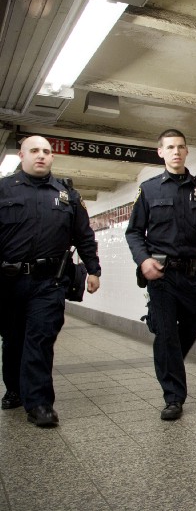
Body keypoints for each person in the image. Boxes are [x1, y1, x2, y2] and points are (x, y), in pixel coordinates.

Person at [125, 128, 196, 421]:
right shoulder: (150, 189)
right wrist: (143, 260)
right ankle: (173, 398)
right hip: (162, 275)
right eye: (170, 147)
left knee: (193, 326)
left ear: (186, 151)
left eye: (181, 147)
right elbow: (133, 232)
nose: (176, 152)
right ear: (161, 152)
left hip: (194, 275)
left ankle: (167, 361)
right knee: (168, 334)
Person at [0, 135, 101, 427]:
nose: (41, 155)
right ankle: (15, 389)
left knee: (40, 339)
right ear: (21, 155)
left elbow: (84, 236)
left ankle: (40, 404)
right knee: (14, 338)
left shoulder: (67, 195)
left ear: (52, 157)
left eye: (46, 151)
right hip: (8, 283)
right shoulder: (3, 189)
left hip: (49, 282)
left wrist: (93, 271)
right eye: (34, 150)